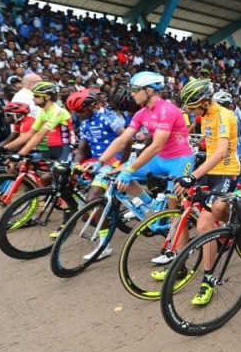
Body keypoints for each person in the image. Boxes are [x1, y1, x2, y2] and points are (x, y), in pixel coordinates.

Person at [91, 71, 195, 242]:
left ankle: (177, 253)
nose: (132, 93)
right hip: (160, 160)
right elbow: (122, 139)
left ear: (150, 91)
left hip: (179, 160)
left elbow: (156, 145)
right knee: (116, 172)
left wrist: (130, 167)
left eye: (135, 89)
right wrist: (100, 161)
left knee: (173, 208)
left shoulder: (167, 109)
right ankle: (150, 205)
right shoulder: (142, 113)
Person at [170, 79, 241, 304]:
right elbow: (206, 145)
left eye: (192, 107)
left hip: (226, 171)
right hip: (210, 171)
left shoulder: (223, 115)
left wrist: (193, 176)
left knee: (203, 225)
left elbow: (220, 152)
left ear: (204, 101)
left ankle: (208, 279)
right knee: (183, 203)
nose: (190, 112)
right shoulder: (204, 115)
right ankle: (178, 263)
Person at [66, 88, 125, 260]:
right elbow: (81, 149)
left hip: (113, 161)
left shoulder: (108, 118)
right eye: (75, 112)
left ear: (92, 106)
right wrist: (76, 163)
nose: (78, 115)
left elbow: (125, 137)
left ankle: (104, 245)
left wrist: (122, 162)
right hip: (97, 161)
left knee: (93, 198)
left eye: (80, 111)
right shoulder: (84, 123)